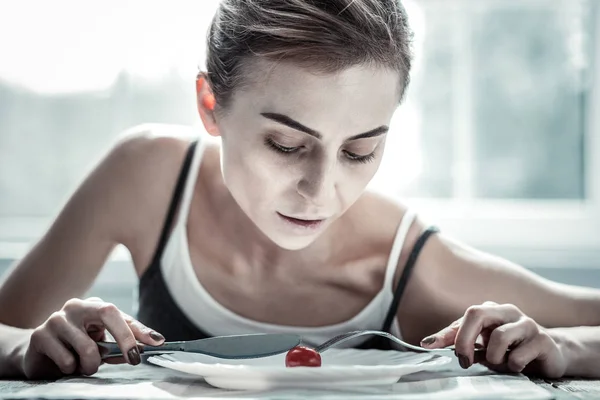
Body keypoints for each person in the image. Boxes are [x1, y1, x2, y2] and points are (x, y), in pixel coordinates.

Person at [1, 0, 599, 380]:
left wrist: (566, 350)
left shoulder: (409, 263)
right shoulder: (145, 177)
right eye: (286, 146)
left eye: (361, 150)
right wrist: (24, 346)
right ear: (211, 105)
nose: (321, 190)